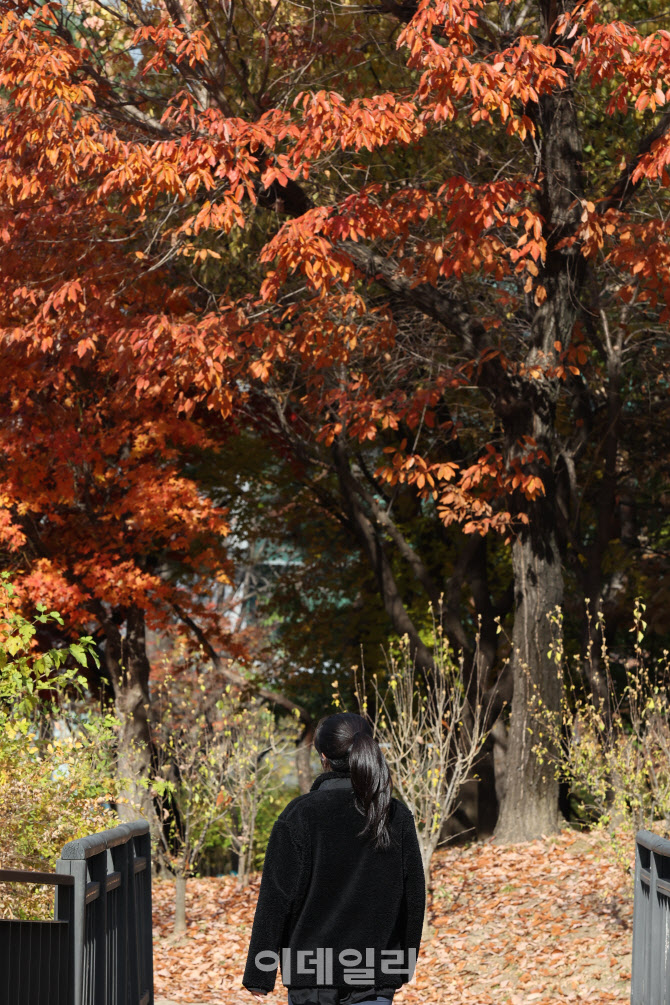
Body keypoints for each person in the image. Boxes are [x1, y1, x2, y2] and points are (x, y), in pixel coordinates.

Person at [242, 711, 426, 1005]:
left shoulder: (300, 814)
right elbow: (414, 899)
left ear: (324, 756)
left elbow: (275, 900)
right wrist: (402, 967)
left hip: (311, 975)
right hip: (375, 973)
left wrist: (259, 975)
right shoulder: (394, 814)